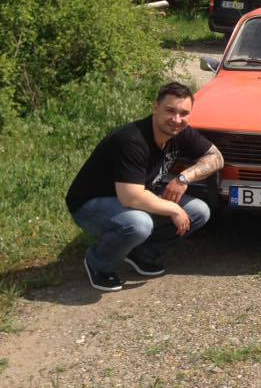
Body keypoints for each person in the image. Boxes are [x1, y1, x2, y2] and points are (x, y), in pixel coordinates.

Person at [66, 82, 223, 292]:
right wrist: (174, 209)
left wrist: (183, 178)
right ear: (155, 107)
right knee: (139, 223)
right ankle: (98, 263)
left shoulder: (180, 133)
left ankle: (141, 253)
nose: (177, 119)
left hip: (133, 197)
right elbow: (130, 197)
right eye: (170, 111)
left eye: (184, 113)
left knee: (198, 211)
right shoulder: (132, 140)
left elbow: (216, 157)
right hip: (90, 204)